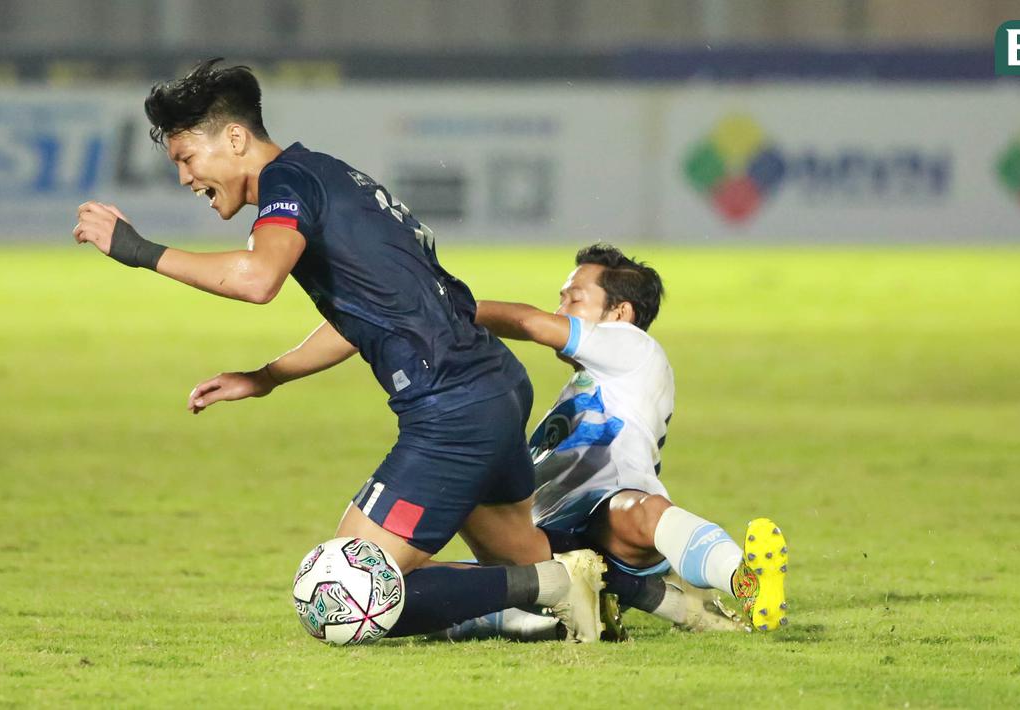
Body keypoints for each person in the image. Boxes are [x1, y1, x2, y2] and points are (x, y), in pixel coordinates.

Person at [71, 58, 605, 643]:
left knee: (344, 590)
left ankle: (556, 584)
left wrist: (137, 250)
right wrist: (268, 376)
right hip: (492, 383)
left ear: (235, 139)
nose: (183, 177)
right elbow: (363, 317)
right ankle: (607, 585)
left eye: (186, 158)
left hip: (451, 406)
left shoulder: (287, 182)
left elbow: (258, 279)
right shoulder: (327, 174)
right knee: (521, 562)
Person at [470, 244, 789, 634]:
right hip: (553, 540)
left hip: (604, 523)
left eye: (574, 299)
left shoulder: (629, 344)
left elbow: (529, 323)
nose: (560, 310)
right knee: (459, 581)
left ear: (620, 313)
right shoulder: (593, 382)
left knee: (635, 511)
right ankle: (670, 606)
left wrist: (451, 309)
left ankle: (743, 578)